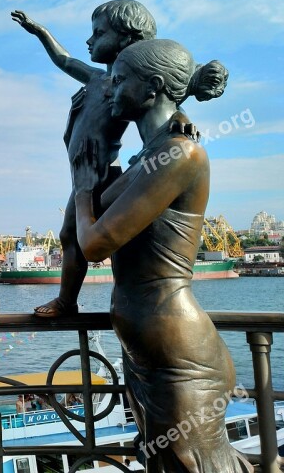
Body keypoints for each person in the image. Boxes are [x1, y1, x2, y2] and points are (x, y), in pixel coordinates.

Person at [71, 39, 249, 472]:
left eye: (119, 80)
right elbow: (79, 225)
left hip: (182, 361)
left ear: (151, 87)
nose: (109, 88)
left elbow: (94, 243)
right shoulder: (147, 155)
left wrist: (82, 188)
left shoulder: (180, 153)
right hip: (147, 354)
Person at [12, 0, 157, 317]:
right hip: (84, 177)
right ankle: (69, 301)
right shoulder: (96, 79)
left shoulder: (128, 85)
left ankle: (94, 301)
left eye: (98, 33)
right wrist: (41, 32)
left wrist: (180, 123)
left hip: (102, 176)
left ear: (127, 38)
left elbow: (162, 105)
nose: (90, 41)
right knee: (69, 236)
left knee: (109, 241)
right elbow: (64, 60)